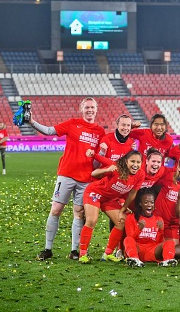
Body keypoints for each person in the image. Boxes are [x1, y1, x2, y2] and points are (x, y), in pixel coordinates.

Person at [33, 97, 106, 261]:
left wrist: (100, 153)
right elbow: (49, 131)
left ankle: (74, 250)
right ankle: (48, 248)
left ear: (96, 109)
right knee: (56, 210)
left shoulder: (100, 132)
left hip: (86, 178)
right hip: (66, 174)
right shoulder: (73, 123)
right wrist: (31, 121)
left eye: (92, 107)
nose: (90, 110)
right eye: (87, 107)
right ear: (82, 109)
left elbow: (96, 162)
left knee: (79, 214)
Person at [78, 150, 145, 263]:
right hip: (95, 192)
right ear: (126, 161)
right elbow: (93, 174)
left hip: (110, 199)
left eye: (138, 162)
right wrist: (106, 170)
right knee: (91, 220)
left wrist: (123, 209)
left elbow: (133, 193)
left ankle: (107, 254)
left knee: (121, 222)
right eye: (132, 161)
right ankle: (82, 254)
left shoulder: (140, 174)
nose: (135, 165)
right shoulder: (116, 167)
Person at [123, 188, 177, 267]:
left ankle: (168, 261)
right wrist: (139, 229)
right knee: (127, 239)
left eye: (152, 202)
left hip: (152, 250)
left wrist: (161, 231)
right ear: (140, 204)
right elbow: (130, 238)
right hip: (138, 249)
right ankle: (134, 259)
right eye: (146, 202)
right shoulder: (131, 218)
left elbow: (159, 242)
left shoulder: (158, 219)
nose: (149, 205)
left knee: (170, 242)